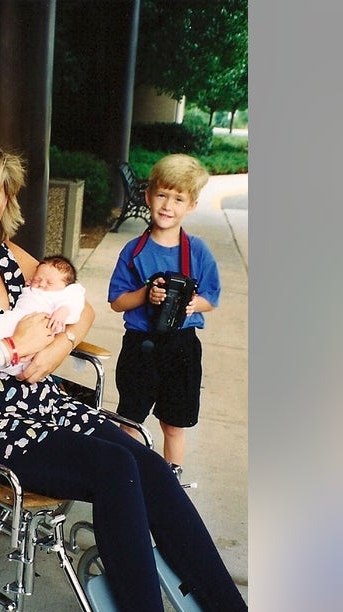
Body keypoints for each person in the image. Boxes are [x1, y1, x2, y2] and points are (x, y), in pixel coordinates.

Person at [0, 137, 247, 612]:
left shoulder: (7, 253)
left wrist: (59, 346)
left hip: (38, 400)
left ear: (6, 196)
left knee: (147, 462)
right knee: (115, 468)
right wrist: (11, 349)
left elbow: (78, 305)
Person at [107, 154, 222, 469]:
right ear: (148, 196)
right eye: (162, 195)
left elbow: (212, 297)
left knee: (174, 424)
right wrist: (145, 295)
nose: (168, 206)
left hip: (182, 346)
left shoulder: (198, 251)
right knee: (129, 422)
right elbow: (117, 301)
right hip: (140, 346)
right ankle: (127, 479)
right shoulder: (134, 251)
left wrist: (192, 304)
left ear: (191, 205)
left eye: (178, 199)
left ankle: (172, 486)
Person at [0, 255, 86, 377]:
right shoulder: (33, 287)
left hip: (38, 330)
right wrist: (30, 286)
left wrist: (63, 311)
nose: (42, 284)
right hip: (15, 319)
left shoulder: (66, 294)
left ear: (66, 287)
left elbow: (76, 303)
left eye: (50, 282)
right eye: (38, 279)